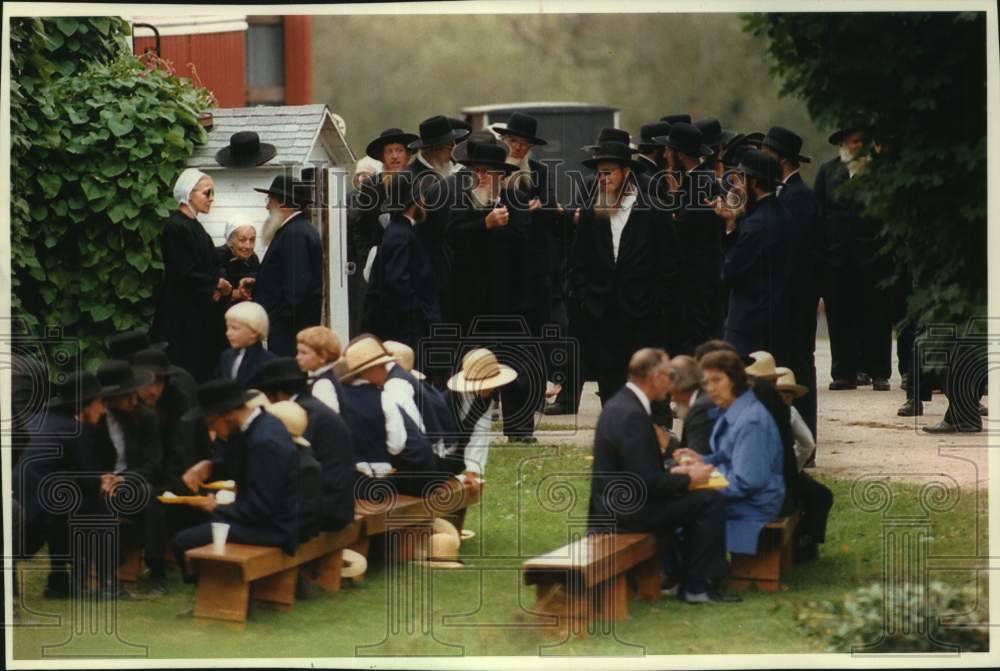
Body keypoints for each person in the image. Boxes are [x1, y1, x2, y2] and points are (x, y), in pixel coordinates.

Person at [587, 348, 737, 604]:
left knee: (698, 499)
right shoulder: (633, 414)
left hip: (618, 507)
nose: (672, 381)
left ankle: (685, 575)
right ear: (654, 377)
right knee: (710, 500)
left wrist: (676, 472)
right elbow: (647, 483)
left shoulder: (621, 404)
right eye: (669, 374)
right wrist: (690, 478)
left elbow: (639, 473)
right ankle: (697, 586)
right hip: (627, 514)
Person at [568, 140, 681, 404]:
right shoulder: (591, 212)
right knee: (610, 380)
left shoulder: (653, 210)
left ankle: (656, 432)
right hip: (603, 311)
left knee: (651, 377)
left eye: (609, 172)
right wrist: (585, 297)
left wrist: (659, 301)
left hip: (645, 312)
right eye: (600, 172)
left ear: (626, 173)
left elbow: (671, 263)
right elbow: (577, 260)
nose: (603, 178)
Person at [172, 379, 301, 581]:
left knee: (182, 541)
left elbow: (261, 508)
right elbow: (240, 462)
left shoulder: (264, 442)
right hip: (267, 519)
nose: (212, 431)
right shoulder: (259, 425)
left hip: (273, 528)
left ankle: (209, 595)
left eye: (211, 423)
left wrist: (216, 508)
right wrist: (210, 466)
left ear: (228, 416)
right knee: (188, 518)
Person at [675, 349, 784, 558]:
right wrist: (701, 460)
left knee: (678, 509)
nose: (711, 388)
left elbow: (748, 481)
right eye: (707, 383)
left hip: (755, 504)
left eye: (717, 380)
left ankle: (686, 574)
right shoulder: (732, 409)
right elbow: (725, 456)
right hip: (742, 495)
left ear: (735, 380)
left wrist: (700, 482)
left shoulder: (751, 420)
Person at [13, 372, 112, 598]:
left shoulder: (38, 419)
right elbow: (91, 482)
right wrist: (104, 482)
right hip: (33, 521)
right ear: (85, 405)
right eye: (100, 403)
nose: (104, 410)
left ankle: (58, 580)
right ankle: (106, 581)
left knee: (66, 503)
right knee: (100, 508)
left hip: (18, 508)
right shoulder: (74, 429)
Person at [815, 128, 892, 391]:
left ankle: (879, 371)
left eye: (862, 141)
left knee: (876, 316)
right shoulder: (828, 172)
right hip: (837, 258)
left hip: (872, 257)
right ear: (843, 144)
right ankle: (844, 373)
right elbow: (819, 213)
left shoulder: (878, 172)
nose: (857, 146)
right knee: (840, 316)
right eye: (853, 141)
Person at [761, 125, 820, 438]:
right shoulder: (784, 195)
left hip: (794, 300)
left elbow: (795, 255)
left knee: (798, 368)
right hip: (781, 298)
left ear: (782, 160)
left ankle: (805, 438)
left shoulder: (798, 198)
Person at [255, 358, 357, 531]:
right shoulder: (311, 406)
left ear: (276, 393)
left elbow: (293, 464)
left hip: (329, 508)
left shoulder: (303, 412)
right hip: (338, 502)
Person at [713, 149, 794, 363]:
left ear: (754, 183)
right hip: (775, 316)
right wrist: (733, 222)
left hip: (749, 321)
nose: (739, 185)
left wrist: (731, 228)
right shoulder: (781, 213)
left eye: (743, 179)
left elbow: (730, 271)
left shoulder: (756, 225)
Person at [92, 360, 165, 592]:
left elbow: (153, 464)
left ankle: (157, 569)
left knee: (150, 495)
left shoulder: (145, 418)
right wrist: (101, 480)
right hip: (97, 485)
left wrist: (125, 479)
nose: (134, 399)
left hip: (129, 482)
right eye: (126, 395)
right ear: (110, 397)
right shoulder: (93, 419)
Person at [152, 168, 230, 381]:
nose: (211, 199)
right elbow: (182, 271)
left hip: (197, 309)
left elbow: (212, 261)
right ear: (189, 193)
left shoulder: (195, 226)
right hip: (181, 313)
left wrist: (216, 285)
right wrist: (215, 284)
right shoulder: (176, 227)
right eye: (207, 193)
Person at [338, 333, 439, 494]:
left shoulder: (390, 387)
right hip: (423, 468)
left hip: (414, 474)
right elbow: (400, 442)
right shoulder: (384, 393)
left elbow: (395, 446)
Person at [657, 122, 725, 354]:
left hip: (696, 276)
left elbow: (683, 225)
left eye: (669, 150)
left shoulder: (700, 183)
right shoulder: (696, 180)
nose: (665, 155)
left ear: (680, 154)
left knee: (695, 339)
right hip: (700, 273)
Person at [362, 171, 442, 352]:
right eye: (420, 195)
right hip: (407, 329)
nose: (424, 201)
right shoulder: (401, 235)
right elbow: (397, 281)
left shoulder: (400, 230)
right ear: (414, 201)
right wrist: (420, 315)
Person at [252, 175, 323, 356]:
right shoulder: (295, 229)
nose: (267, 206)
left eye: (270, 201)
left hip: (290, 332)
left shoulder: (295, 234)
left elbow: (296, 289)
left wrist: (276, 321)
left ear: (282, 203)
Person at [774, 367, 834, 562]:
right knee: (821, 495)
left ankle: (805, 540)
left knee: (814, 494)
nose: (786, 399)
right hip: (782, 477)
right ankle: (808, 541)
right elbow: (807, 444)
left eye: (788, 396)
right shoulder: (789, 413)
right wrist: (793, 466)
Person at [216, 301, 276, 389]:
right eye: (227, 328)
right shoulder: (226, 356)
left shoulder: (268, 361)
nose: (228, 333)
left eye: (234, 328)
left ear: (254, 331)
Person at [669, 354, 716, 455]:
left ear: (677, 386)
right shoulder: (704, 399)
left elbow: (694, 458)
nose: (672, 397)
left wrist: (668, 444)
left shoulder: (700, 408)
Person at [295, 325, 345, 414]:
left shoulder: (323, 384)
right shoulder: (323, 378)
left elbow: (327, 417)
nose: (298, 357)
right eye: (298, 352)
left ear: (322, 356)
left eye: (304, 353)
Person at [215, 219, 260, 304]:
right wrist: (239, 294)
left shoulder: (253, 258)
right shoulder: (217, 256)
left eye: (252, 240)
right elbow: (216, 292)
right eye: (242, 240)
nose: (248, 246)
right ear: (230, 240)